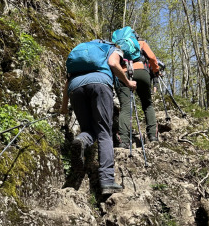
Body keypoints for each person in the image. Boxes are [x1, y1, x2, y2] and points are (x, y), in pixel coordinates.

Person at [61, 41, 137, 193]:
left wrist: (63, 107)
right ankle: (107, 180)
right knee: (104, 132)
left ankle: (81, 140)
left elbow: (68, 81)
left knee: (88, 129)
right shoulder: (111, 48)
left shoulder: (80, 52)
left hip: (75, 87)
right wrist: (127, 82)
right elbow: (113, 64)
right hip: (100, 83)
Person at [115, 35, 160, 148]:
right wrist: (156, 71)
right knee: (147, 105)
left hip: (123, 72)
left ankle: (124, 141)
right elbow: (152, 58)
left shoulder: (117, 45)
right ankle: (152, 136)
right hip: (141, 71)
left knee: (125, 107)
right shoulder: (141, 43)